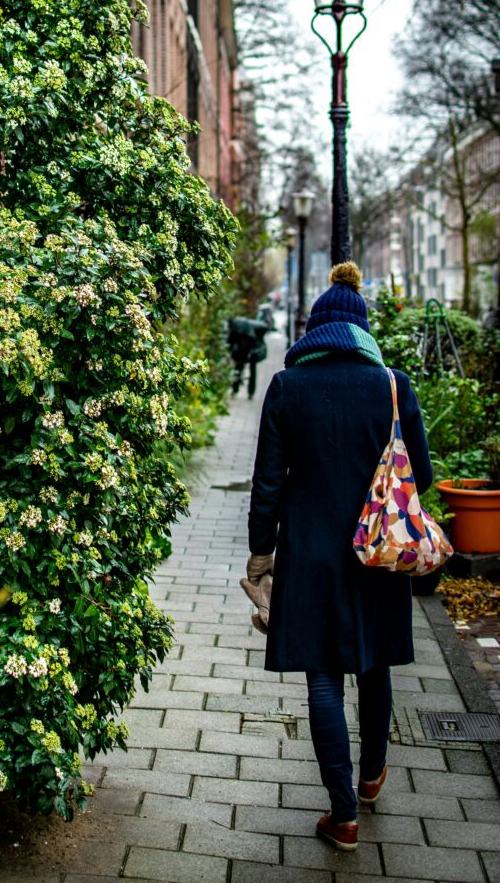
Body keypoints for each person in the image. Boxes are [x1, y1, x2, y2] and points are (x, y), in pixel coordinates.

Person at [244, 262, 432, 852]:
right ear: (363, 329)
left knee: (322, 674)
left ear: (313, 329)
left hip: (310, 553)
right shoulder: (393, 385)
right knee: (374, 665)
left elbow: (267, 482)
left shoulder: (286, 386)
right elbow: (421, 475)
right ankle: (372, 776)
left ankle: (342, 814)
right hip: (379, 550)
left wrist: (260, 552)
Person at [227, 316, 268, 398]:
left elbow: (255, 343)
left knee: (252, 369)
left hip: (253, 349)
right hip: (242, 349)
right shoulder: (236, 329)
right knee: (238, 366)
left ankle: (250, 392)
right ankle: (235, 389)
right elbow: (230, 342)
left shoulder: (249, 332)